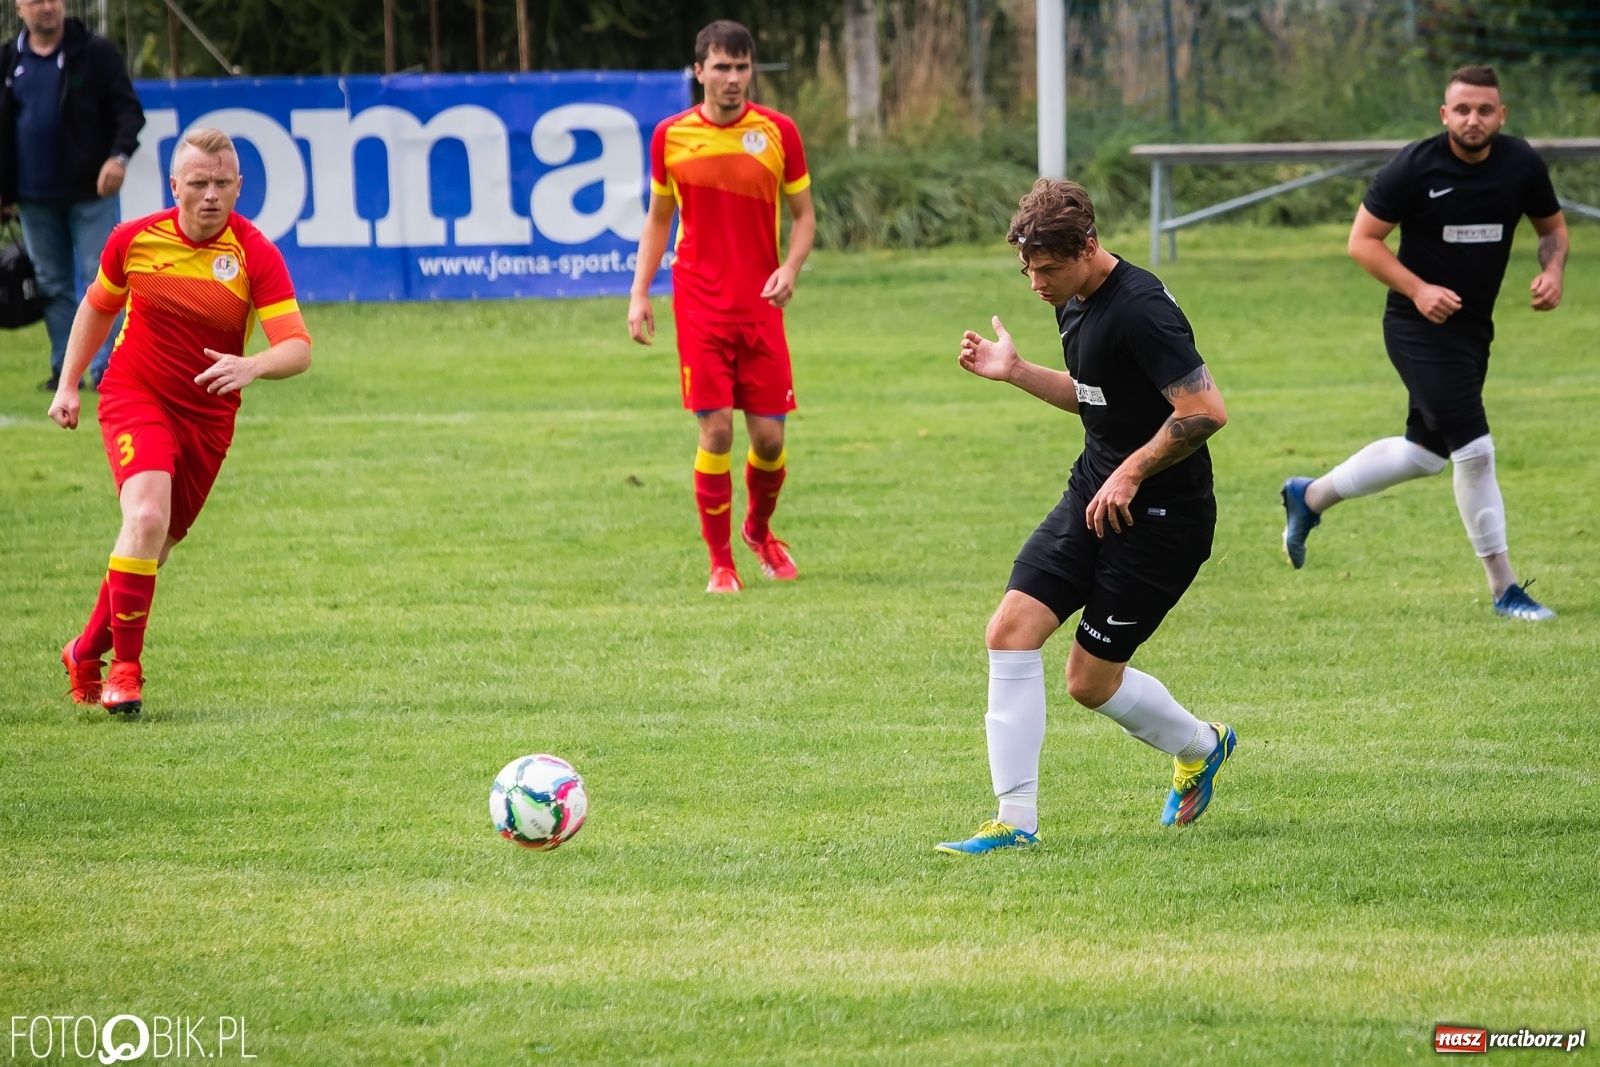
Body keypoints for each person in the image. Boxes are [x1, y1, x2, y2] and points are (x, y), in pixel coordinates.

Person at [936, 179, 1235, 856]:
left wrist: (1132, 471)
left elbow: (1204, 410)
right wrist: (1016, 371)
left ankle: (1201, 745)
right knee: (1010, 630)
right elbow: (1097, 395)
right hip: (1092, 495)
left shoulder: (1141, 310)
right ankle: (1015, 820)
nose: (1036, 285)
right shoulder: (1072, 298)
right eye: (1027, 270)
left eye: (1047, 269)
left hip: (1162, 518)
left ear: (1088, 247)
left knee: (1088, 682)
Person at [1281, 65, 1568, 621]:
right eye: (1462, 109)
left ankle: (1309, 496)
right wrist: (1419, 289)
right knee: (1475, 451)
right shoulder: (1414, 167)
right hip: (1417, 327)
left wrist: (1552, 271)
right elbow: (1362, 241)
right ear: (1444, 114)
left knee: (1425, 455)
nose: (1473, 119)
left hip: (1473, 329)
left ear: (1501, 115)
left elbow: (1552, 229)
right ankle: (1506, 590)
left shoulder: (1521, 164)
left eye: (1484, 110)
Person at [48, 128, 312, 716]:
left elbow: (297, 347)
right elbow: (98, 307)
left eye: (222, 183)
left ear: (239, 186)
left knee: (153, 548)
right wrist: (68, 384)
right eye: (198, 183)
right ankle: (126, 672)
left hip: (208, 418)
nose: (210, 194)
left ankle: (83, 651)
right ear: (175, 186)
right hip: (134, 394)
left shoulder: (255, 254)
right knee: (144, 518)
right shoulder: (133, 240)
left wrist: (252, 365)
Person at [627, 19, 816, 594]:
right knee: (716, 432)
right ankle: (721, 564)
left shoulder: (778, 132)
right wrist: (639, 293)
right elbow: (659, 220)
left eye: (741, 67)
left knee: (770, 442)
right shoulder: (671, 136)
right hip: (699, 306)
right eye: (721, 67)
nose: (733, 78)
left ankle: (758, 531)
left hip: (760, 307)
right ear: (699, 70)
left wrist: (789, 268)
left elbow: (804, 217)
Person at [1, 0, 144, 389]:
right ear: (20, 8)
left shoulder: (94, 52)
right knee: (51, 285)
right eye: (37, 1)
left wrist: (118, 156)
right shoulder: (9, 60)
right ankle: (66, 370)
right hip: (33, 197)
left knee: (103, 278)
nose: (47, 7)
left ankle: (107, 368)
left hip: (91, 192)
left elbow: (128, 112)